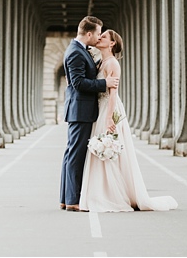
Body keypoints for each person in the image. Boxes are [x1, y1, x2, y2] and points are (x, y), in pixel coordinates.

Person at [78, 30, 178, 213]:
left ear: (112, 43)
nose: (99, 38)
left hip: (110, 109)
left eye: (104, 37)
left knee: (107, 149)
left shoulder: (113, 63)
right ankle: (101, 194)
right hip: (101, 109)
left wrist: (109, 118)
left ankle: (110, 195)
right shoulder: (101, 62)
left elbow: (113, 93)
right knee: (100, 150)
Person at [60, 16, 119, 212]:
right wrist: (105, 84)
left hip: (81, 109)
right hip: (81, 110)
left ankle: (65, 198)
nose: (98, 37)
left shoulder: (79, 50)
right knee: (75, 155)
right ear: (88, 33)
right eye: (97, 33)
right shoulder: (76, 53)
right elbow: (78, 83)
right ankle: (72, 201)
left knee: (71, 154)